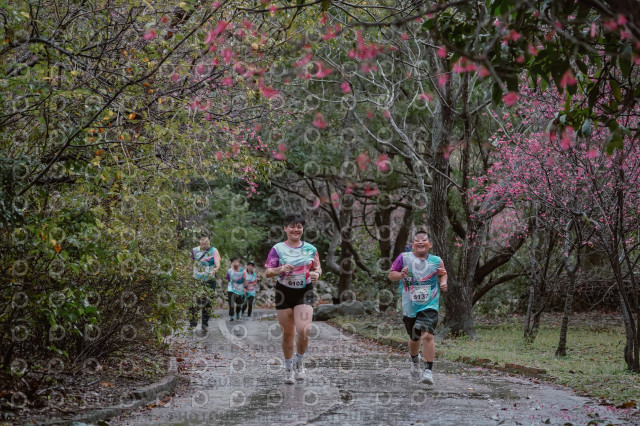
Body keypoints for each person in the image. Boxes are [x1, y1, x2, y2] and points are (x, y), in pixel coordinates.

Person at [265, 214, 321, 384]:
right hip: (284, 292)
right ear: (285, 228)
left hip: (304, 291)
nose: (296, 229)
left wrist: (316, 274)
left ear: (302, 229)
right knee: (288, 333)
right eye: (292, 226)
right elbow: (268, 272)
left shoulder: (311, 249)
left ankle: (299, 362)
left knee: (304, 330)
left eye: (299, 227)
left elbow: (318, 268)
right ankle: (288, 368)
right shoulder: (277, 249)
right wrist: (281, 269)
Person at [388, 231, 447, 385]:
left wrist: (443, 282)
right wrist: (401, 275)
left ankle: (428, 371)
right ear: (413, 244)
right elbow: (391, 275)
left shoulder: (436, 260)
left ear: (430, 244)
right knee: (414, 338)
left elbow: (443, 273)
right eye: (417, 240)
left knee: (427, 335)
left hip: (430, 303)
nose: (420, 242)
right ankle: (415, 360)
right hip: (410, 305)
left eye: (424, 240)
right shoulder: (404, 258)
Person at [190, 236, 220, 331]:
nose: (204, 242)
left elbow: (217, 264)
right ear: (199, 241)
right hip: (196, 279)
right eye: (202, 240)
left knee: (207, 302)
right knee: (195, 301)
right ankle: (193, 323)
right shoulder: (194, 250)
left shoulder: (214, 251)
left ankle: (204, 324)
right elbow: (189, 262)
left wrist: (214, 270)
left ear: (209, 241)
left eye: (205, 240)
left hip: (209, 279)